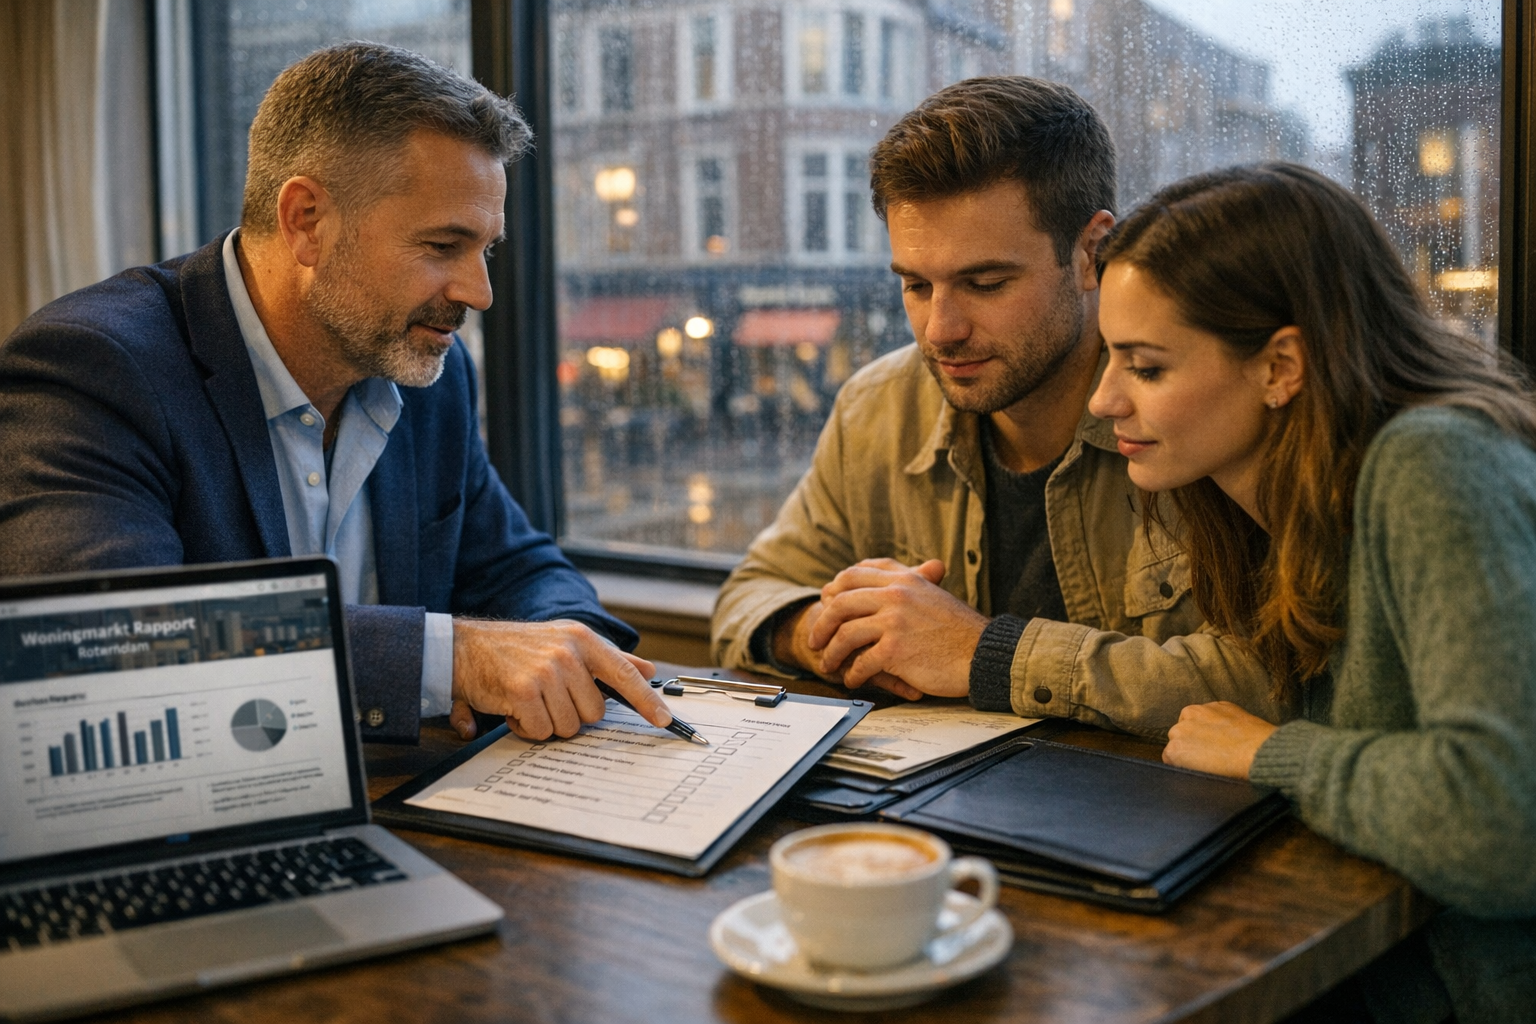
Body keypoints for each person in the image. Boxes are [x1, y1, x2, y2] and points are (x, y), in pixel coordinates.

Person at [0, 42, 672, 746]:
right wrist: (457, 660)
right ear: (306, 221)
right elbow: (108, 637)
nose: (479, 293)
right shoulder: (93, 367)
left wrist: (571, 654)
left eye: (487, 250)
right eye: (442, 246)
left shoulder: (430, 373)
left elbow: (517, 567)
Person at [1090, 162, 1536, 1022]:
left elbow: (1503, 825)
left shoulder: (1434, 465)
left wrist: (1273, 754)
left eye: (1144, 367)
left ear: (1280, 366)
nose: (1104, 398)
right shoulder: (1266, 500)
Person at [712, 76, 1276, 738]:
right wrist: (833, 633)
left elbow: (1281, 678)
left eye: (985, 283)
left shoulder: (1198, 405)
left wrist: (984, 654)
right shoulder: (878, 405)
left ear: (1091, 252)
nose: (940, 330)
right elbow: (750, 596)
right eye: (916, 285)